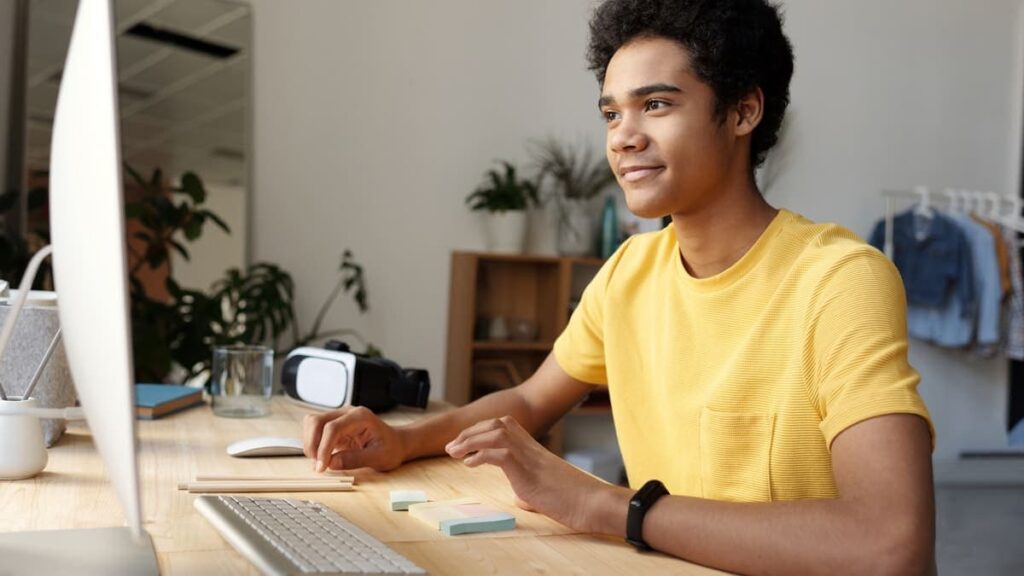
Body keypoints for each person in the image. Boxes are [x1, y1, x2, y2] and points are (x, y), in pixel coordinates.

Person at [303, 0, 936, 573]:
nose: (623, 136)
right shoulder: (630, 271)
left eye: (656, 105)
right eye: (612, 111)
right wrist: (402, 439)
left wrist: (609, 506)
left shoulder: (840, 280)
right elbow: (528, 403)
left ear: (743, 110)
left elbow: (889, 543)